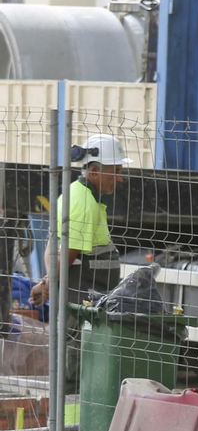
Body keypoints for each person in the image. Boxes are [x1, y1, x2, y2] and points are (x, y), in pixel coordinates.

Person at [29, 134, 130, 392]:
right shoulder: (84, 202)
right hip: (80, 299)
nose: (120, 178)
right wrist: (49, 282)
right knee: (75, 357)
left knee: (75, 352)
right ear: (95, 172)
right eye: (115, 171)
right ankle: (72, 426)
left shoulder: (77, 194)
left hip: (84, 296)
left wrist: (47, 281)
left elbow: (56, 245)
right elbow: (68, 251)